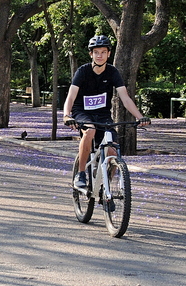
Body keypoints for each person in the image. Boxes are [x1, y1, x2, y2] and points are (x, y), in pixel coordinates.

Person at [62, 35, 150, 191]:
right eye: (96, 52)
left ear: (109, 54)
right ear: (91, 54)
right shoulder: (82, 71)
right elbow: (71, 96)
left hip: (103, 115)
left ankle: (106, 186)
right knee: (90, 130)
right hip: (82, 112)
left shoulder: (112, 72)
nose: (100, 55)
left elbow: (125, 99)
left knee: (113, 151)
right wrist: (67, 115)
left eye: (103, 52)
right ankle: (81, 174)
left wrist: (140, 117)